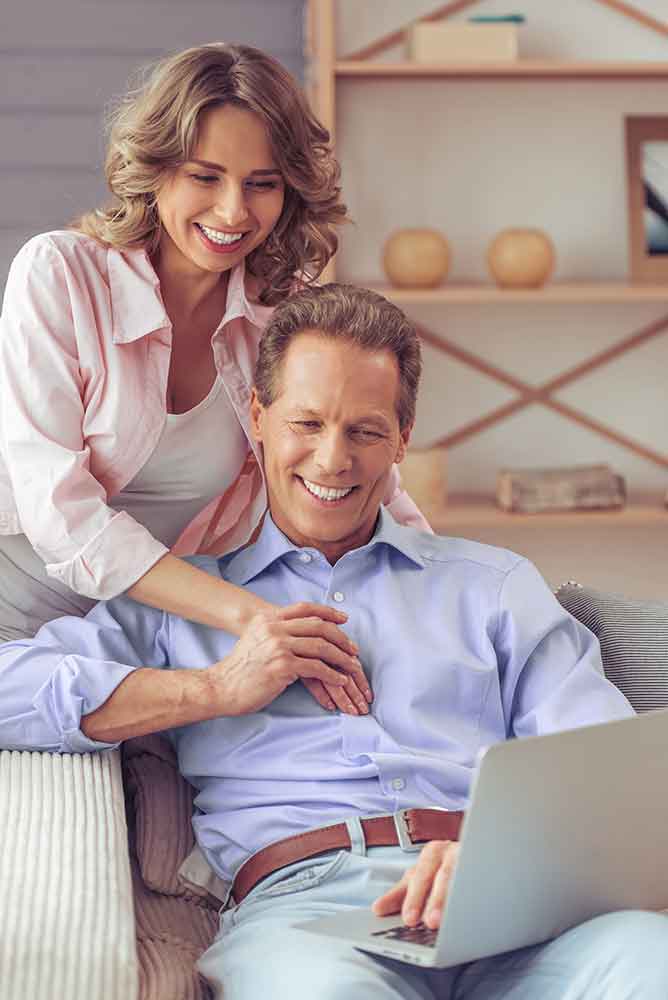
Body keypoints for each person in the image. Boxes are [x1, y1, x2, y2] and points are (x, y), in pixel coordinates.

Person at [2, 284, 666, 1000]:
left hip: (507, 905)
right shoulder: (179, 605)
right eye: (307, 423)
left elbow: (608, 769)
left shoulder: (495, 586)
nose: (331, 460)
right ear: (258, 418)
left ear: (403, 438)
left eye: (365, 432)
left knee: (648, 959)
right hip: (305, 915)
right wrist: (214, 688)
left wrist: (504, 857)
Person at [0, 43, 427, 715]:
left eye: (262, 184)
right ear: (157, 168)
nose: (233, 212)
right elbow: (60, 514)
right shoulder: (60, 275)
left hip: (141, 637)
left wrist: (461, 589)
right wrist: (246, 614)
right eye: (205, 176)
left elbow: (374, 487)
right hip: (14, 627)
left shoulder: (283, 313)